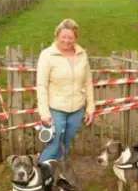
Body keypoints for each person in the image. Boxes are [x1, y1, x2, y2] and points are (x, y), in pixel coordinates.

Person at [36, 18, 95, 162]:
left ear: (76, 38)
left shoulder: (82, 55)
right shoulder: (47, 55)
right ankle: (40, 178)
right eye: (63, 37)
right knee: (53, 146)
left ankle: (60, 173)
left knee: (65, 144)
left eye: (71, 37)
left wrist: (90, 107)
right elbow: (42, 85)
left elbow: (87, 82)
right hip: (56, 110)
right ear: (57, 35)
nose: (67, 41)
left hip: (77, 110)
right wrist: (44, 112)